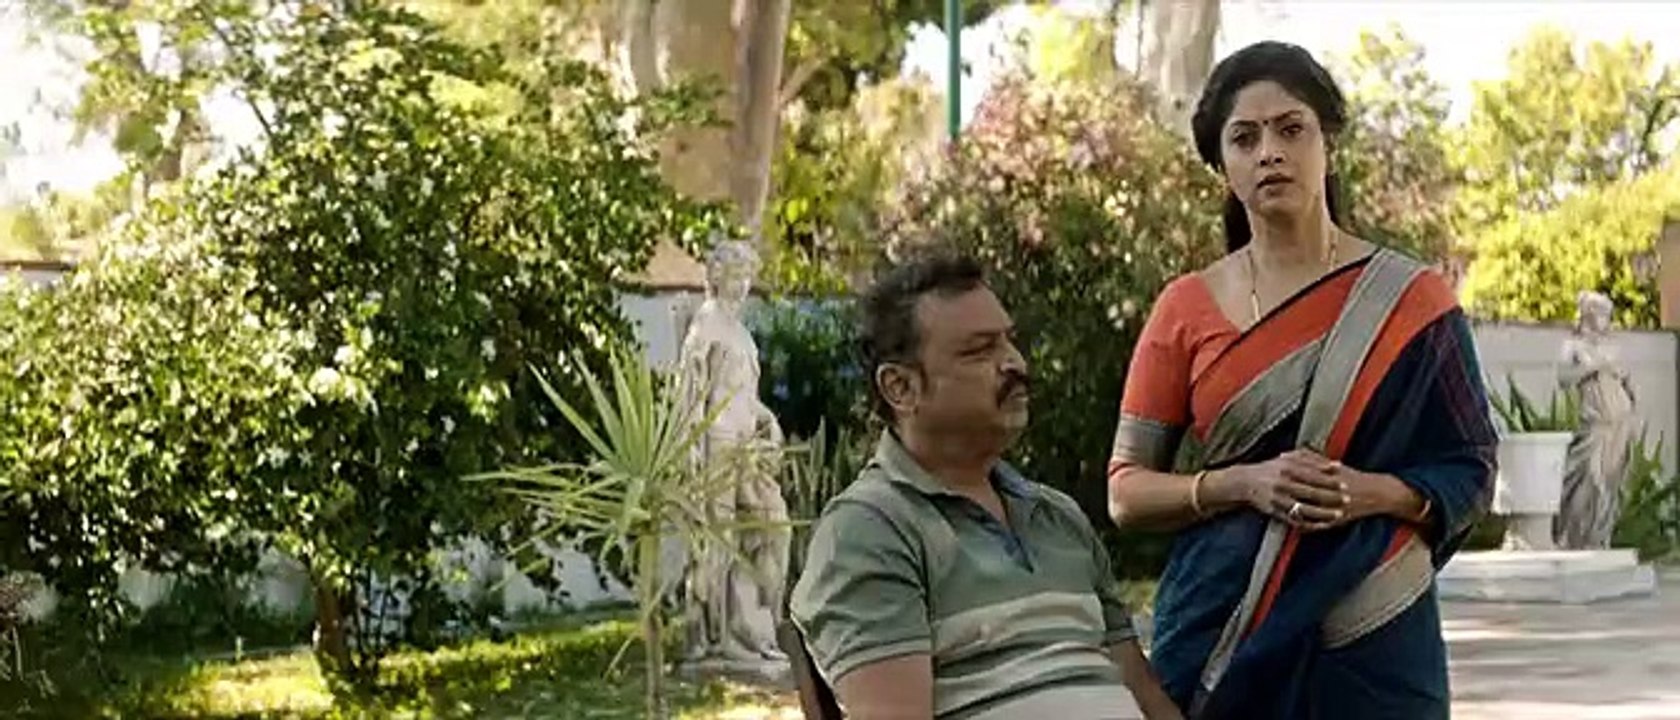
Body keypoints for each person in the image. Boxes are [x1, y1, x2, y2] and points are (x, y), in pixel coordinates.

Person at [1105, 41, 1498, 720]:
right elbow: (1126, 491)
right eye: (1245, 138)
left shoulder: (1414, 301)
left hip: (1376, 622)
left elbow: (1472, 467)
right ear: (1222, 165)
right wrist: (1242, 483)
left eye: (1291, 129)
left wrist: (1368, 493)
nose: (1270, 153)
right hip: (1222, 633)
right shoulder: (1185, 308)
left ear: (1328, 144)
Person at [790, 254, 1180, 719]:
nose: (1014, 363)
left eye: (1009, 341)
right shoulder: (870, 531)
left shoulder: (1057, 516)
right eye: (980, 351)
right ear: (900, 387)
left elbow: (1143, 693)